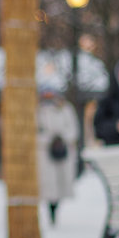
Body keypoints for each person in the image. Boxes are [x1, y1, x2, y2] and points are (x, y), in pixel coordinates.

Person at [37, 89, 80, 224]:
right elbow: (36, 132)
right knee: (49, 185)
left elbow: (73, 130)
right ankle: (51, 210)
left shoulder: (66, 109)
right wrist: (49, 139)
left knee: (61, 184)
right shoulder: (39, 110)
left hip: (63, 152)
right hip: (45, 153)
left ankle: (56, 209)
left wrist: (61, 138)